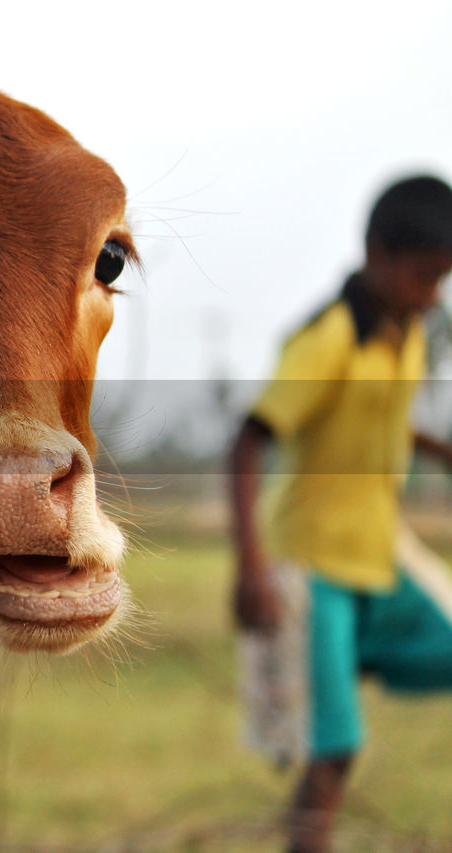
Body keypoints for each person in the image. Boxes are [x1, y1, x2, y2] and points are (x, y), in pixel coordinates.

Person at [230, 175, 452, 853]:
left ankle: (339, 662)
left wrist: (436, 447)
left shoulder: (407, 332)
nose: (431, 295)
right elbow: (249, 438)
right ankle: (321, 673)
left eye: (442, 279)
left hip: (378, 552)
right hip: (314, 563)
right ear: (375, 253)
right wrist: (251, 570)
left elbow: (380, 412)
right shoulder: (326, 339)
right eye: (421, 276)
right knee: (335, 752)